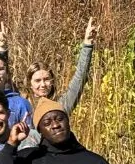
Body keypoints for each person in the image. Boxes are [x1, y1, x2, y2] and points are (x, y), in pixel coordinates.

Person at [22, 18, 99, 146]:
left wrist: (87, 44)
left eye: (46, 79)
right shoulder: (22, 104)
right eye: (37, 80)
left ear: (52, 81)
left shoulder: (60, 104)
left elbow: (80, 78)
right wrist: (2, 50)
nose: (43, 84)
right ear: (30, 83)